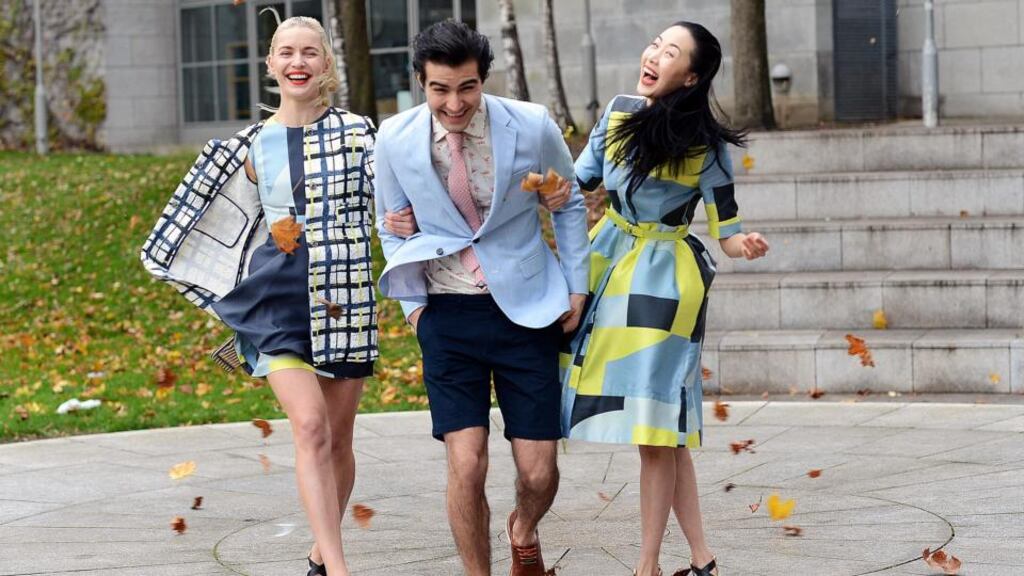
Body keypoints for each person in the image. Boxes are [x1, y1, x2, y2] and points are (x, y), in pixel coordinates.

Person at [141, 16, 376, 576]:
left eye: (310, 53)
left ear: (327, 66)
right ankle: (340, 569)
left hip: (344, 296)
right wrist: (213, 279)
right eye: (286, 53)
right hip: (273, 304)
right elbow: (208, 224)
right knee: (312, 427)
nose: (298, 62)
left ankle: (322, 554)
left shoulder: (360, 132)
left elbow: (392, 205)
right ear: (270, 65)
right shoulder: (246, 146)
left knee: (338, 440)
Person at [552, 21, 770, 576]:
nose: (653, 54)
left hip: (664, 285)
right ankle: (702, 560)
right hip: (608, 264)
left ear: (691, 76)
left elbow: (725, 226)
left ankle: (646, 565)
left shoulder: (706, 145)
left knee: (654, 428)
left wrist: (742, 244)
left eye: (670, 52)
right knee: (664, 433)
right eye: (655, 43)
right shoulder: (619, 111)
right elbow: (579, 181)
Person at [373, 19, 590, 576]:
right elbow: (391, 225)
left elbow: (565, 203)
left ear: (483, 80)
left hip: (528, 310)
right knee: (465, 465)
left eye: (466, 87)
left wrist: (576, 287)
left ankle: (523, 528)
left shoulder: (533, 125)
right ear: (421, 82)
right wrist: (416, 311)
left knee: (539, 472)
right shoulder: (394, 138)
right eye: (440, 89)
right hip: (446, 314)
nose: (454, 103)